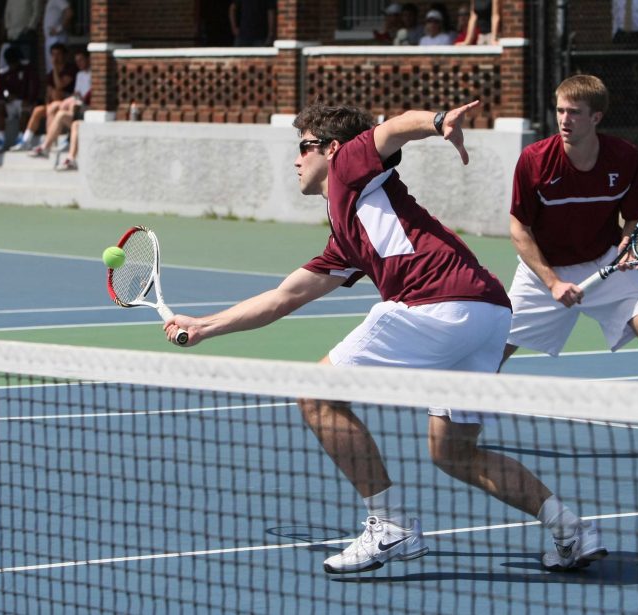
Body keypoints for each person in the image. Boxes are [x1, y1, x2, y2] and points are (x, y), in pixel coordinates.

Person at [163, 101, 608, 574]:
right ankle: (571, 531)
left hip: (436, 301)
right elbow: (284, 297)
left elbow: (394, 128)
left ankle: (390, 524)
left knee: (316, 393)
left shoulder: (350, 167)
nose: (296, 159)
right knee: (454, 452)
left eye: (304, 147)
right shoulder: (350, 232)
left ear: (332, 149)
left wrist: (438, 123)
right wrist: (205, 326)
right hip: (490, 313)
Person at [501, 74, 638, 469]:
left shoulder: (624, 157)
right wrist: (551, 282)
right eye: (560, 111)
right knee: (493, 346)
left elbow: (634, 213)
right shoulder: (535, 160)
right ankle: (456, 412)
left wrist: (627, 243)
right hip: (543, 269)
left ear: (596, 117)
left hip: (605, 262)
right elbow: (519, 229)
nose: (564, 120)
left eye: (574, 113)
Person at [13, 48, 89, 152]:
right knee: (38, 110)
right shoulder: (78, 75)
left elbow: (59, 85)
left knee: (56, 99)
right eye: (53, 55)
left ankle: (54, 141)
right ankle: (26, 141)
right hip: (61, 102)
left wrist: (54, 68)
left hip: (68, 102)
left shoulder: (71, 70)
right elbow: (49, 92)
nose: (55, 57)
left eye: (58, 54)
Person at [0, 45, 38, 152]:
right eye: (10, 63)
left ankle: (21, 138)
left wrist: (29, 100)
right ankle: (0, 139)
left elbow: (34, 88)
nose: (12, 65)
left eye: (14, 62)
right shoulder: (3, 72)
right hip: (11, 103)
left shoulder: (28, 69)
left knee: (24, 108)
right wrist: (6, 97)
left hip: (25, 102)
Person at [0, 0, 39, 69]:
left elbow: (37, 12)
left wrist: (30, 28)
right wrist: (8, 28)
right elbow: (7, 12)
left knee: (26, 63)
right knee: (13, 63)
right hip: (12, 35)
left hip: (25, 34)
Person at [42, 0, 73, 73]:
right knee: (51, 67)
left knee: (57, 66)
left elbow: (69, 13)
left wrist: (59, 29)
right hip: (51, 38)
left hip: (57, 38)